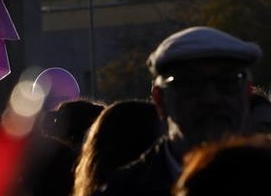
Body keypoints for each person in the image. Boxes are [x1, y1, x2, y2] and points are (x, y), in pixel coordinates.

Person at [97, 26, 262, 196]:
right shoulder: (123, 191)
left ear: (248, 93)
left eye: (228, 82)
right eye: (190, 84)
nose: (211, 98)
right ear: (160, 99)